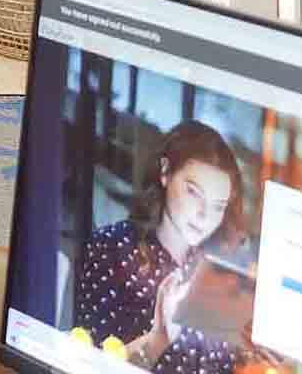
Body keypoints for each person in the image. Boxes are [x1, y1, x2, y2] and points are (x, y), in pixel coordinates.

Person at [74, 120, 251, 372]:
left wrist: (248, 350)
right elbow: (86, 367)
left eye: (218, 206)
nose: (204, 216)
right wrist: (160, 337)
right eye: (194, 193)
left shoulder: (215, 270)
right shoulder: (111, 248)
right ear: (165, 172)